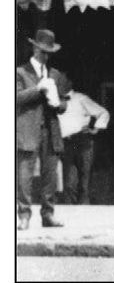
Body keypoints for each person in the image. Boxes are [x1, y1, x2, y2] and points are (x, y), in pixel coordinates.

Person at [16, 28, 72, 230]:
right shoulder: (20, 73)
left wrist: (58, 103)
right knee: (24, 175)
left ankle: (48, 214)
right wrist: (38, 89)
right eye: (42, 50)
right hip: (28, 130)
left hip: (50, 129)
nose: (45, 55)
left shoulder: (56, 75)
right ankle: (23, 215)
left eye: (48, 52)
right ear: (34, 48)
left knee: (50, 175)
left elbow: (64, 104)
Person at [58, 84, 110, 205]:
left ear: (68, 81)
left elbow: (103, 113)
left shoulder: (81, 98)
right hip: (67, 142)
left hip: (82, 140)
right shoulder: (55, 100)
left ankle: (85, 213)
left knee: (85, 179)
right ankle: (70, 215)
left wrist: (95, 129)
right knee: (69, 183)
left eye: (61, 80)